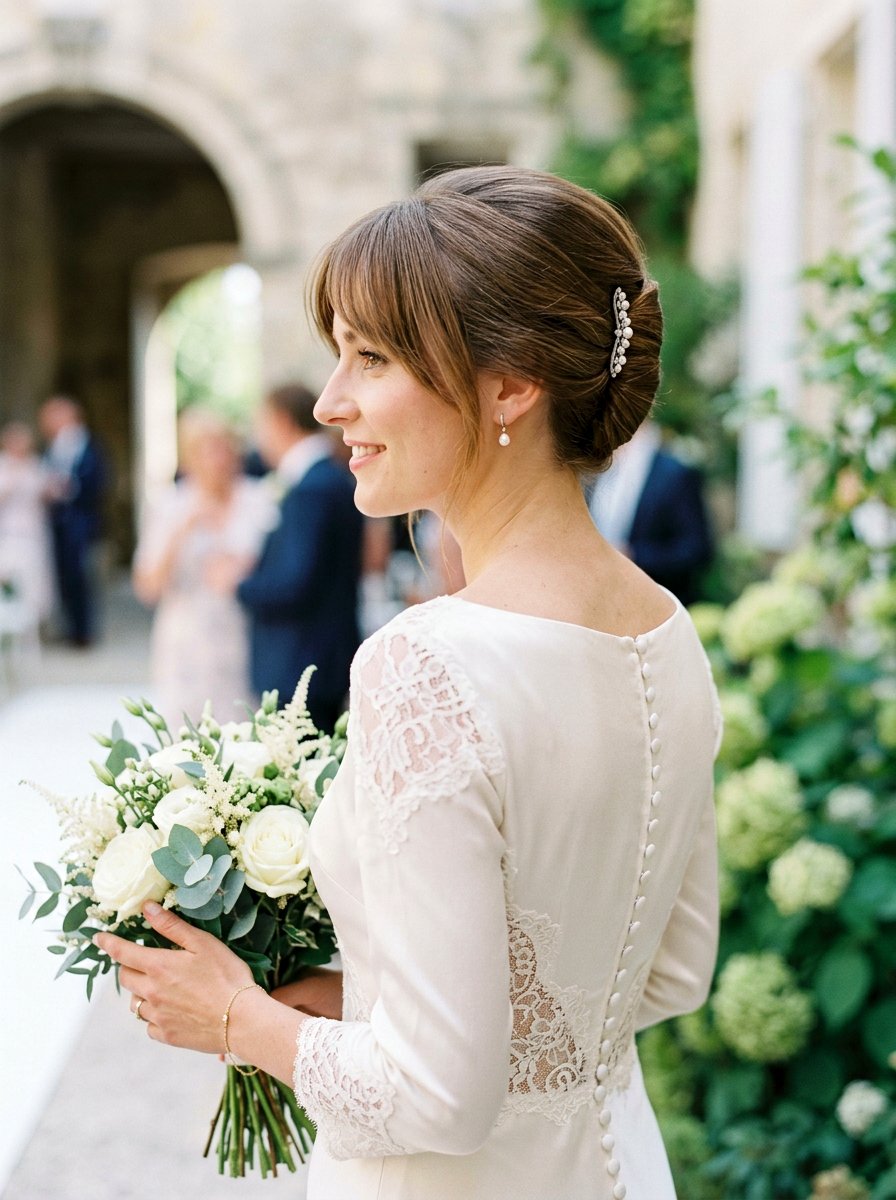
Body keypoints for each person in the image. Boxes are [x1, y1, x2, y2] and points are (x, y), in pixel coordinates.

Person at [98, 166, 722, 1200]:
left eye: (371, 357)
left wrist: (239, 1020)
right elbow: (664, 972)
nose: (333, 401)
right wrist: (365, 993)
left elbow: (439, 1098)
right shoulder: (666, 632)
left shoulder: (428, 663)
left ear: (510, 382)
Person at [225, 383, 364, 731]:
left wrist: (238, 583)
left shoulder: (311, 490)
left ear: (282, 421)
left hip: (300, 664)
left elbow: (293, 585)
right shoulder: (328, 478)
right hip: (319, 658)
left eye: (261, 426)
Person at [133, 409, 276, 725]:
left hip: (247, 637)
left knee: (246, 736)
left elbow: (279, 569)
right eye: (204, 449)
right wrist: (182, 531)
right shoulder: (170, 505)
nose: (216, 458)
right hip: (187, 642)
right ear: (189, 457)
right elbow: (147, 587)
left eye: (222, 446)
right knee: (185, 737)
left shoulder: (261, 499)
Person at [589, 419, 714, 606]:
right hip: (602, 600)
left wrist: (634, 555)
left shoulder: (675, 474)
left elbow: (696, 549)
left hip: (656, 604)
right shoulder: (599, 472)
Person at [39, 395, 105, 647]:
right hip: (58, 523)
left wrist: (68, 489)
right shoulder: (51, 447)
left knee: (81, 577)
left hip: (80, 522)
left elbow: (96, 480)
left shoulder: (88, 444)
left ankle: (84, 631)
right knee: (64, 577)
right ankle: (71, 628)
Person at [0, 422, 54, 623]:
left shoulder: (36, 464)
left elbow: (44, 495)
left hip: (34, 530)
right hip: (7, 532)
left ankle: (31, 622)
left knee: (34, 579)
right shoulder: (3, 465)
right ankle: (7, 621)